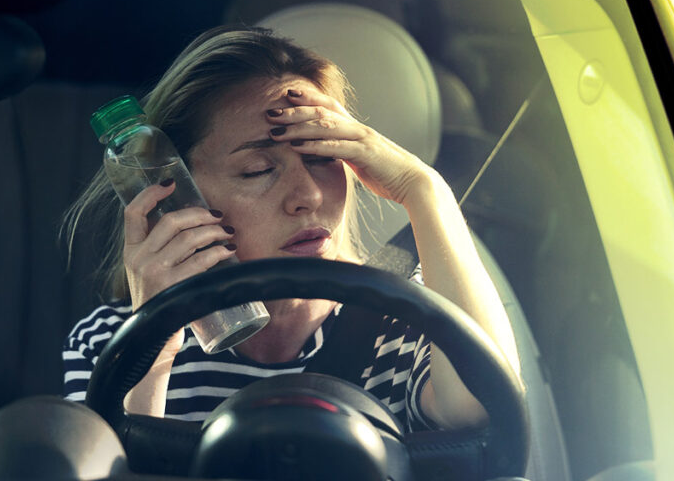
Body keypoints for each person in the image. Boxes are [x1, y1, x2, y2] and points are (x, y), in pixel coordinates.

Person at [62, 25, 518, 432]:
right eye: (258, 169)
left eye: (323, 158)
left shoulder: (404, 318)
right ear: (175, 194)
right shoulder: (107, 344)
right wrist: (153, 340)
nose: (310, 197)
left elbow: (483, 404)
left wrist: (422, 188)